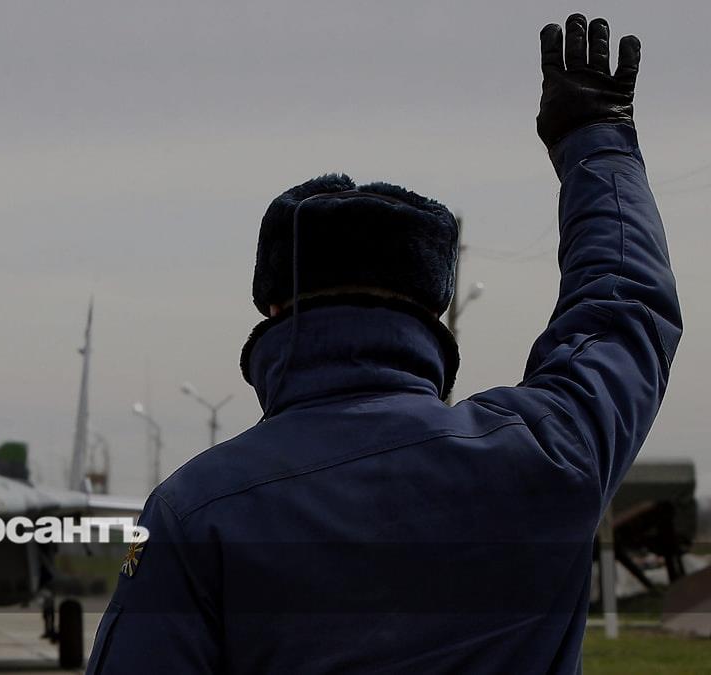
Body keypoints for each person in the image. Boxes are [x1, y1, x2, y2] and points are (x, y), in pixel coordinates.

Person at [87, 14, 680, 674]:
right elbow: (622, 309)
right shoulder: (548, 454)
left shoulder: (197, 511)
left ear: (276, 309)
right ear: (432, 309)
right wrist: (597, 138)